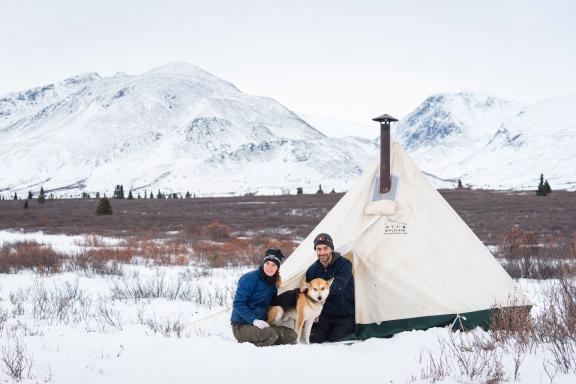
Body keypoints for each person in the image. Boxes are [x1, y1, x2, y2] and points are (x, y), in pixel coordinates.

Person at [231, 248, 297, 347]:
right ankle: (250, 347)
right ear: (264, 263)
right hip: (242, 325)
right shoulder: (250, 278)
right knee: (271, 334)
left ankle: (265, 340)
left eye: (273, 265)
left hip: (262, 324)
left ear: (277, 267)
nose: (269, 267)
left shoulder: (273, 283)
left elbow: (273, 302)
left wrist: (294, 294)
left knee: (291, 335)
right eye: (268, 263)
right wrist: (254, 320)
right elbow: (238, 303)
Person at [305, 233, 355, 343]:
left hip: (344, 314)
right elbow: (310, 294)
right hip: (324, 315)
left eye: (325, 248)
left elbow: (338, 287)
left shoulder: (344, 264)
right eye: (319, 249)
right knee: (314, 339)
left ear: (331, 249)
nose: (322, 252)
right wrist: (313, 311)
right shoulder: (312, 270)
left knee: (336, 339)